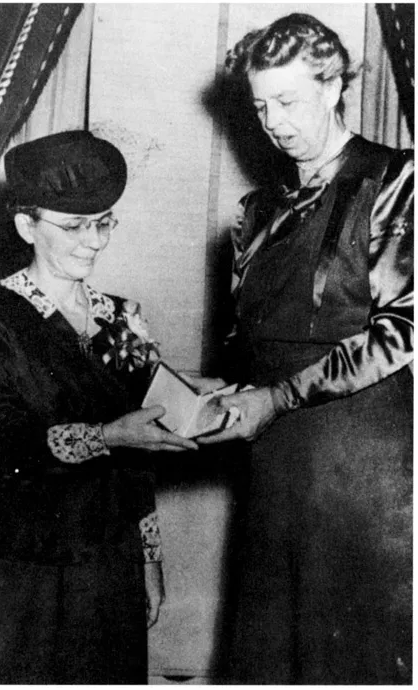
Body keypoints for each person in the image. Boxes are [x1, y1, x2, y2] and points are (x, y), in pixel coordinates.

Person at [198, 13, 413, 684]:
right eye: (261, 107)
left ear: (334, 86)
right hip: (275, 470)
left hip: (364, 474)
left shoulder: (397, 181)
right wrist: (210, 393)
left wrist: (278, 396)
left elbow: (404, 329)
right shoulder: (256, 212)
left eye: (288, 101)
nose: (273, 122)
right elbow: (247, 346)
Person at [0, 130, 198, 684]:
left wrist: (149, 558)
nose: (95, 242)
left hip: (108, 566)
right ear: (25, 225)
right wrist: (109, 436)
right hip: (21, 569)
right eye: (74, 226)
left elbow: (141, 459)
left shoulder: (123, 316)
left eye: (104, 221)